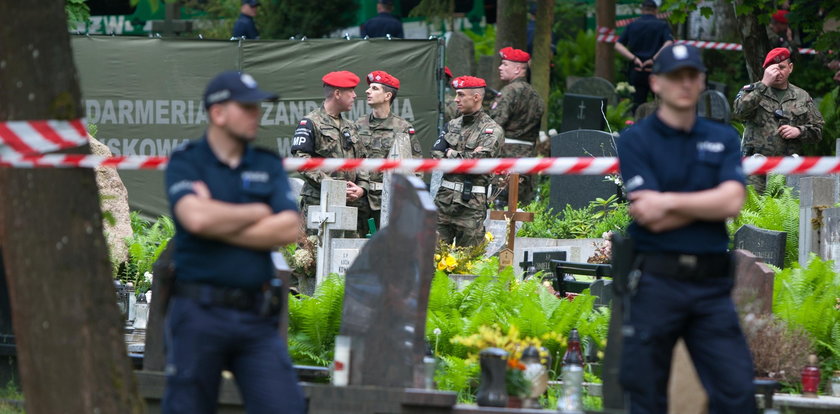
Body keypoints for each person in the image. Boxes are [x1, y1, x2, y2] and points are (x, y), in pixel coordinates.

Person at [616, 44, 757, 414]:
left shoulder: (722, 138)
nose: (685, 83)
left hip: (711, 287)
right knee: (645, 397)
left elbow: (731, 203)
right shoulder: (635, 140)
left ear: (701, 82)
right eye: (675, 76)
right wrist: (705, 203)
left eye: (692, 75)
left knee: (737, 394)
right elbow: (649, 215)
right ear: (656, 83)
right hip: (657, 282)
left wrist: (667, 200)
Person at [163, 71, 305, 413]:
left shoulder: (267, 164)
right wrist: (258, 210)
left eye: (258, 107)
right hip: (198, 312)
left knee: (285, 406)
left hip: (256, 317)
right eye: (247, 107)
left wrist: (216, 219)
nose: (256, 115)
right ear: (218, 113)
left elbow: (288, 228)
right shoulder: (187, 161)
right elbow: (194, 219)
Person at [733, 47, 824, 192]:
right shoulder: (751, 91)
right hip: (756, 167)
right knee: (754, 210)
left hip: (789, 167)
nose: (778, 72)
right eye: (772, 68)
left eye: (782, 67)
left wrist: (799, 131)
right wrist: (764, 84)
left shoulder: (802, 96)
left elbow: (818, 130)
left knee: (787, 211)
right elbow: (739, 112)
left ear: (790, 68)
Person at [291, 71, 370, 237]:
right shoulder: (310, 123)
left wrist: (362, 188)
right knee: (314, 255)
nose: (355, 95)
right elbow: (301, 160)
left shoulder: (350, 126)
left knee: (347, 256)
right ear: (337, 93)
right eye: (351, 91)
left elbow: (362, 161)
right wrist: (332, 186)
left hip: (351, 204)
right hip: (319, 201)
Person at [432, 76, 504, 247]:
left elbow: (479, 163)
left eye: (461, 94)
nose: (456, 99)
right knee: (431, 258)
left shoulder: (492, 130)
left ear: (476, 97)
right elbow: (436, 154)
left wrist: (451, 153)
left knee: (469, 261)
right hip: (443, 202)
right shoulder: (451, 125)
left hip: (471, 205)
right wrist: (464, 155)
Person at [355, 70, 422, 230]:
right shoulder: (357, 125)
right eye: (369, 88)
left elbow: (415, 168)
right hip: (359, 199)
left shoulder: (403, 128)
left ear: (387, 96)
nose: (367, 91)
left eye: (375, 88)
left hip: (388, 201)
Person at [490, 46, 545, 204]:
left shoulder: (509, 92)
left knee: (499, 205)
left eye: (505, 64)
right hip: (527, 156)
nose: (500, 67)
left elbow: (495, 124)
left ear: (518, 69)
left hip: (506, 157)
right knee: (519, 207)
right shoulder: (535, 95)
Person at [614, 0, 674, 110]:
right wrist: (653, 59)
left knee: (637, 104)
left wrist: (634, 58)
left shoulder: (632, 25)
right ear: (656, 10)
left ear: (642, 10)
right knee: (662, 104)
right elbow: (669, 42)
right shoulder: (662, 25)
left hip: (637, 69)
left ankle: (637, 125)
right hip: (656, 69)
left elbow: (618, 45)